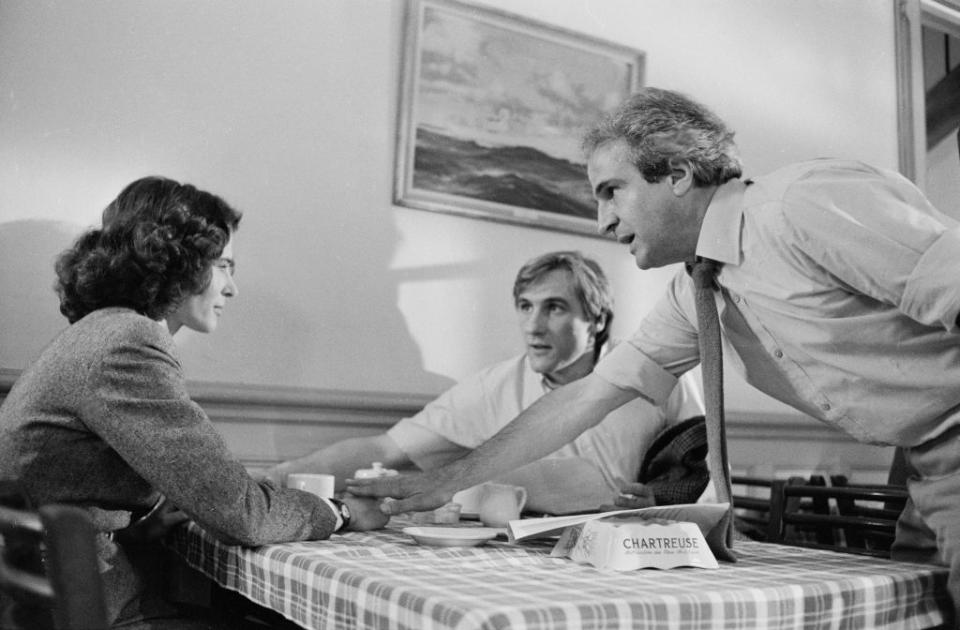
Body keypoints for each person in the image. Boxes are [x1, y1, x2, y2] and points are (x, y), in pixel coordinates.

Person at [347, 87, 960, 620]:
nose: (603, 220)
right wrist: (441, 482)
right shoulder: (696, 290)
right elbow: (592, 394)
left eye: (612, 191)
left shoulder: (798, 206)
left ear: (678, 174)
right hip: (928, 465)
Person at [0, 177, 388, 630]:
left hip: (62, 594)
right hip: (90, 606)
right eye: (223, 265)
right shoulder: (129, 342)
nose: (232, 288)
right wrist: (340, 512)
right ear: (173, 262)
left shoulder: (101, 331)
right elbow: (243, 515)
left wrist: (153, 515)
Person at [267, 251, 705, 514]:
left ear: (596, 320)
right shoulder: (496, 385)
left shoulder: (657, 374)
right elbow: (384, 449)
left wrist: (661, 499)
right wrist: (277, 477)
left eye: (554, 308)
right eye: (525, 306)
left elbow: (697, 474)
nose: (534, 326)